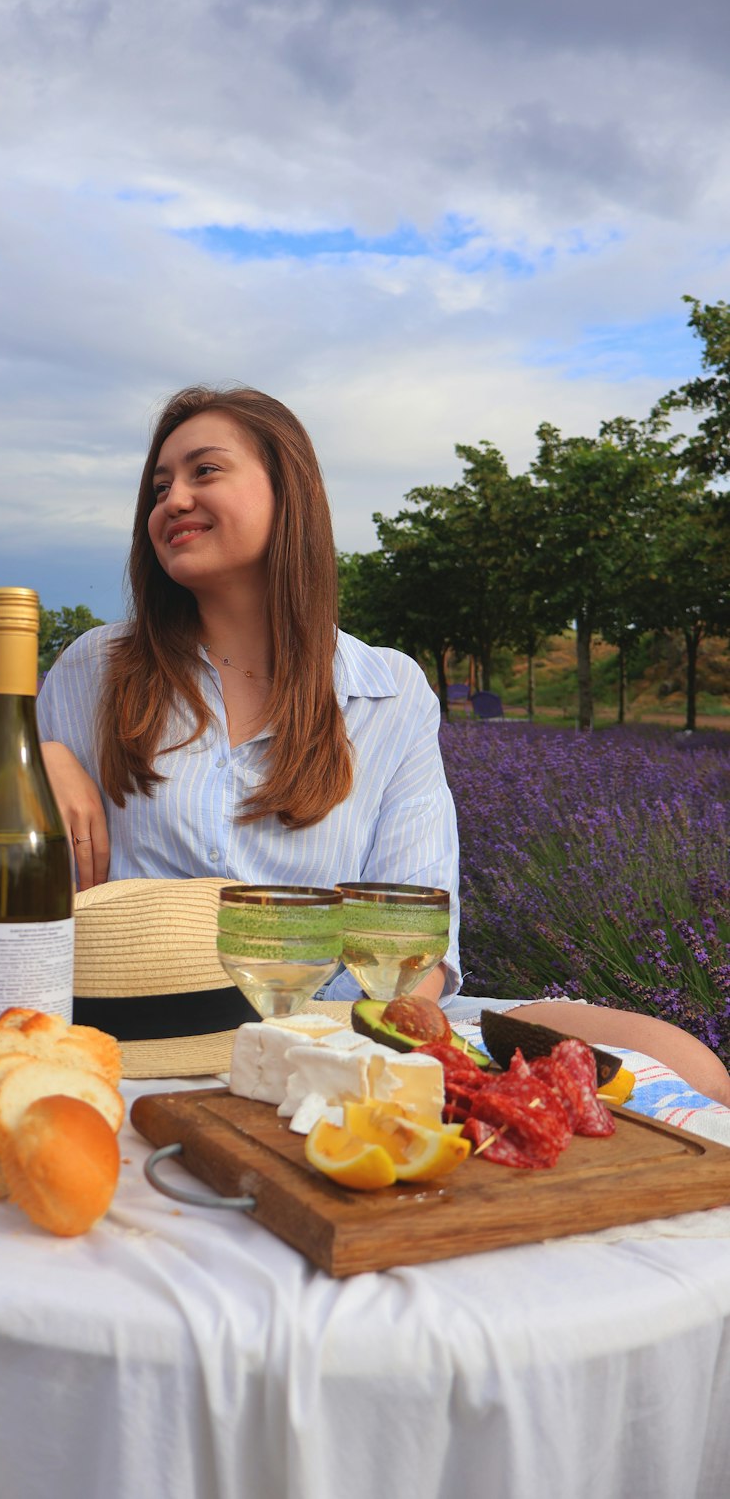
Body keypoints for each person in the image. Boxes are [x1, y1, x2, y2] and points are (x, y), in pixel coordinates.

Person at [37, 384, 730, 1105]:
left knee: (685, 1062)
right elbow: (9, 885)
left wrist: (373, 1054)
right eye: (158, 486)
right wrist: (37, 761)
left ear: (289, 494)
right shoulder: (96, 671)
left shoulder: (387, 690)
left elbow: (416, 937)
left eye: (203, 472)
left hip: (338, 1017)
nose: (172, 499)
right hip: (152, 1032)